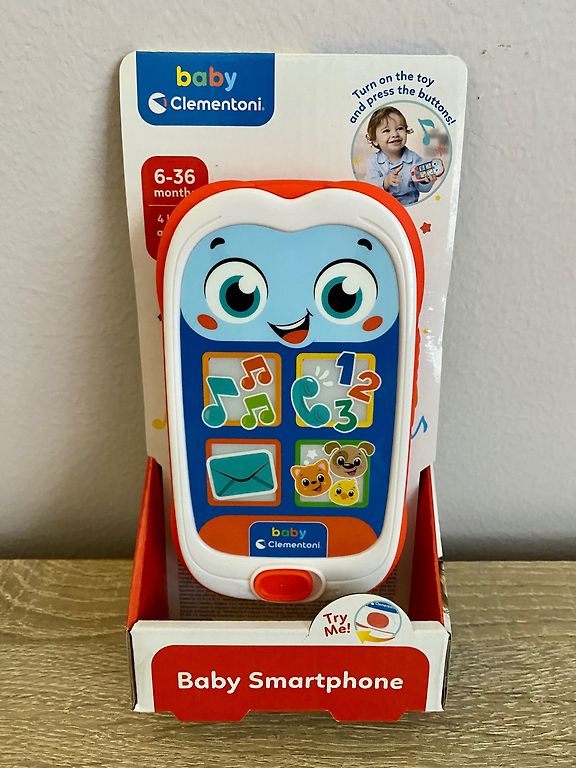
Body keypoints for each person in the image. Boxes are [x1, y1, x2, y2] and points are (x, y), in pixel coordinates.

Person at [364, 107, 435, 206]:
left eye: (400, 128)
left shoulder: (415, 160)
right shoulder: (373, 161)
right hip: (383, 208)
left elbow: (424, 189)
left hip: (409, 206)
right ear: (375, 140)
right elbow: (369, 187)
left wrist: (425, 182)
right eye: (386, 130)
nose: (395, 134)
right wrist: (385, 181)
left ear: (406, 131)